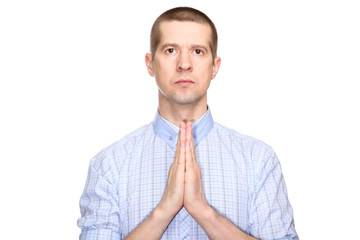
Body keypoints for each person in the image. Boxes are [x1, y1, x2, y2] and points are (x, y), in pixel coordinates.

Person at [77, 6, 298, 240]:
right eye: (171, 50)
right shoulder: (109, 165)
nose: (184, 64)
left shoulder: (258, 161)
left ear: (215, 66)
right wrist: (163, 211)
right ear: (150, 64)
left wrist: (203, 212)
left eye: (198, 51)